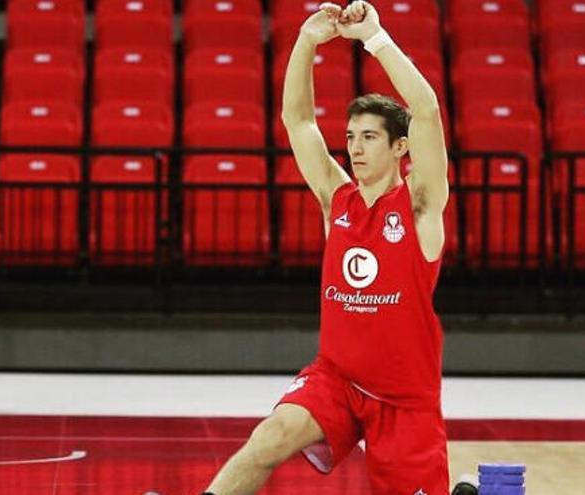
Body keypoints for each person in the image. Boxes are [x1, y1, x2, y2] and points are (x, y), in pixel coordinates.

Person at [201, 2, 474, 494]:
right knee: (267, 440)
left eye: (370, 137)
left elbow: (428, 111)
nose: (356, 147)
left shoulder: (419, 206)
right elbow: (298, 120)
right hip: (338, 379)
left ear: (400, 148)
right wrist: (307, 41)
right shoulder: (337, 199)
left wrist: (376, 38)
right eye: (351, 136)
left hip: (405, 400)